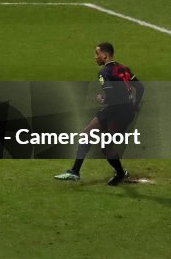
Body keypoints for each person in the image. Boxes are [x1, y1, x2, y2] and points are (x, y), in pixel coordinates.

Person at [54, 42, 143, 185]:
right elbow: (140, 87)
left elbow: (112, 96)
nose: (95, 57)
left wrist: (103, 99)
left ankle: (121, 174)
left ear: (105, 55)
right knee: (86, 134)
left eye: (97, 54)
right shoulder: (124, 69)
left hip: (119, 114)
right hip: (121, 110)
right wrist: (135, 104)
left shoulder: (104, 73)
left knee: (107, 149)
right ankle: (75, 172)